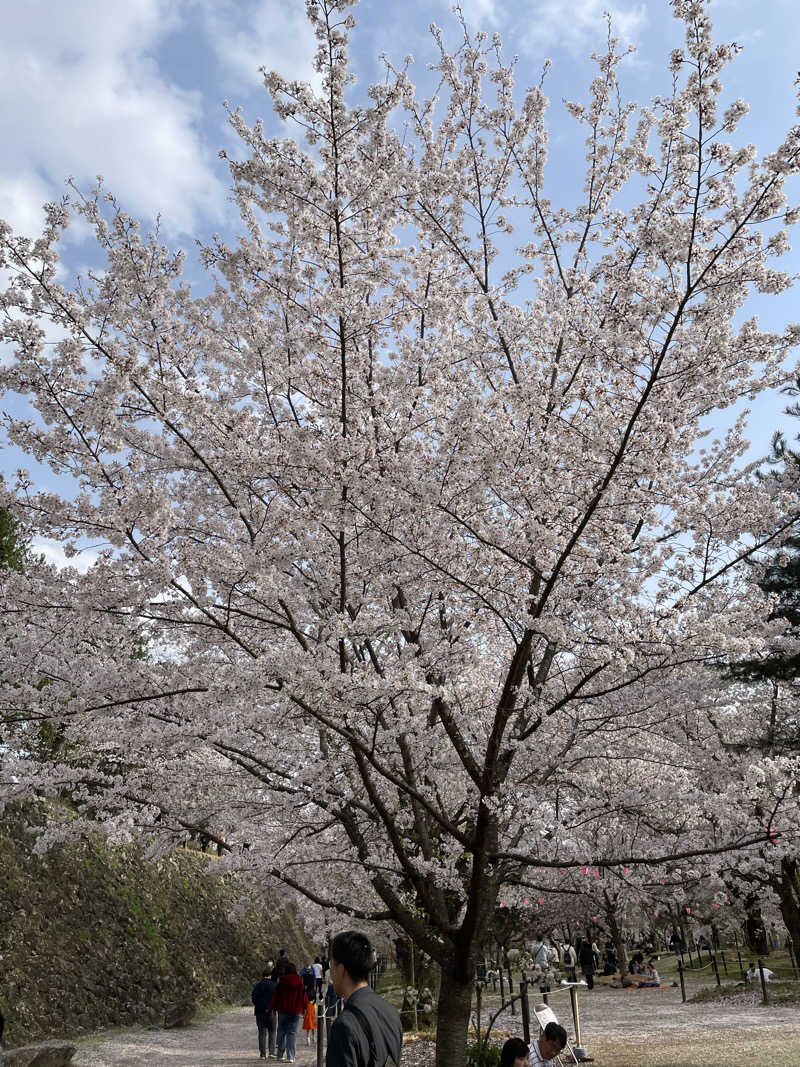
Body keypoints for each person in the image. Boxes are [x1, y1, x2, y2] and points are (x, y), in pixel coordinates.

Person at [326, 929, 402, 1067]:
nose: (331, 974)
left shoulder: (344, 1025)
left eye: (331, 966)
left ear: (341, 969)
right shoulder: (391, 1011)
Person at [271, 960, 307, 1063]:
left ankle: (279, 1055)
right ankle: (291, 1057)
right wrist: (304, 1008)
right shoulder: (299, 981)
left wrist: (273, 1008)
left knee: (281, 1032)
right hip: (295, 1011)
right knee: (292, 1033)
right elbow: (303, 995)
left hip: (282, 1010)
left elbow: (276, 996)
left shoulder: (281, 981)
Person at [252, 966, 277, 1060]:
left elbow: (253, 998)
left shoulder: (257, 985)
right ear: (270, 975)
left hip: (259, 1012)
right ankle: (271, 1052)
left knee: (262, 1032)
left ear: (263, 975)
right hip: (271, 1011)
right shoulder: (273, 985)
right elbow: (276, 998)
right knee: (272, 1031)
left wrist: (259, 1005)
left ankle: (262, 1054)